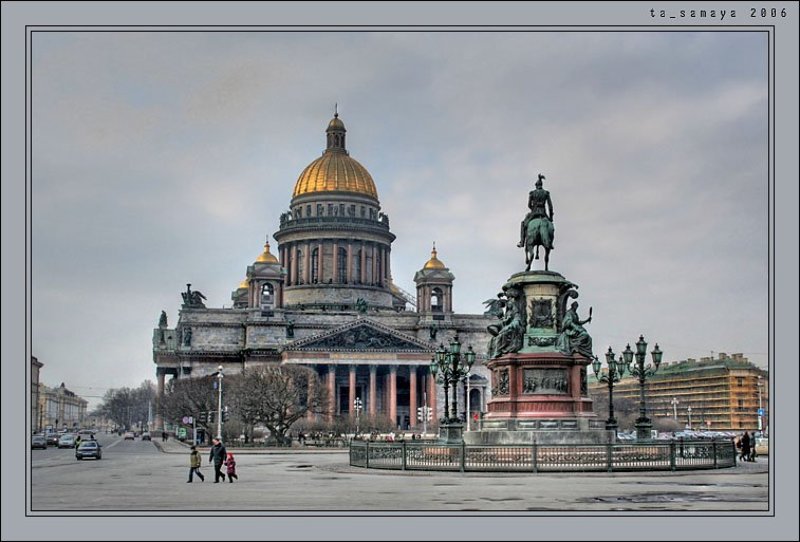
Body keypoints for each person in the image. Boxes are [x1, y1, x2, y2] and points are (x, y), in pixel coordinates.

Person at [518, 173, 554, 248]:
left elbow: (529, 205)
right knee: (551, 227)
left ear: (536, 186)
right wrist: (551, 218)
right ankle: (550, 242)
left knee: (523, 224)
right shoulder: (546, 193)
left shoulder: (532, 193)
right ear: (541, 185)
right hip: (544, 214)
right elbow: (550, 207)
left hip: (534, 213)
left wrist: (533, 208)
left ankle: (522, 242)